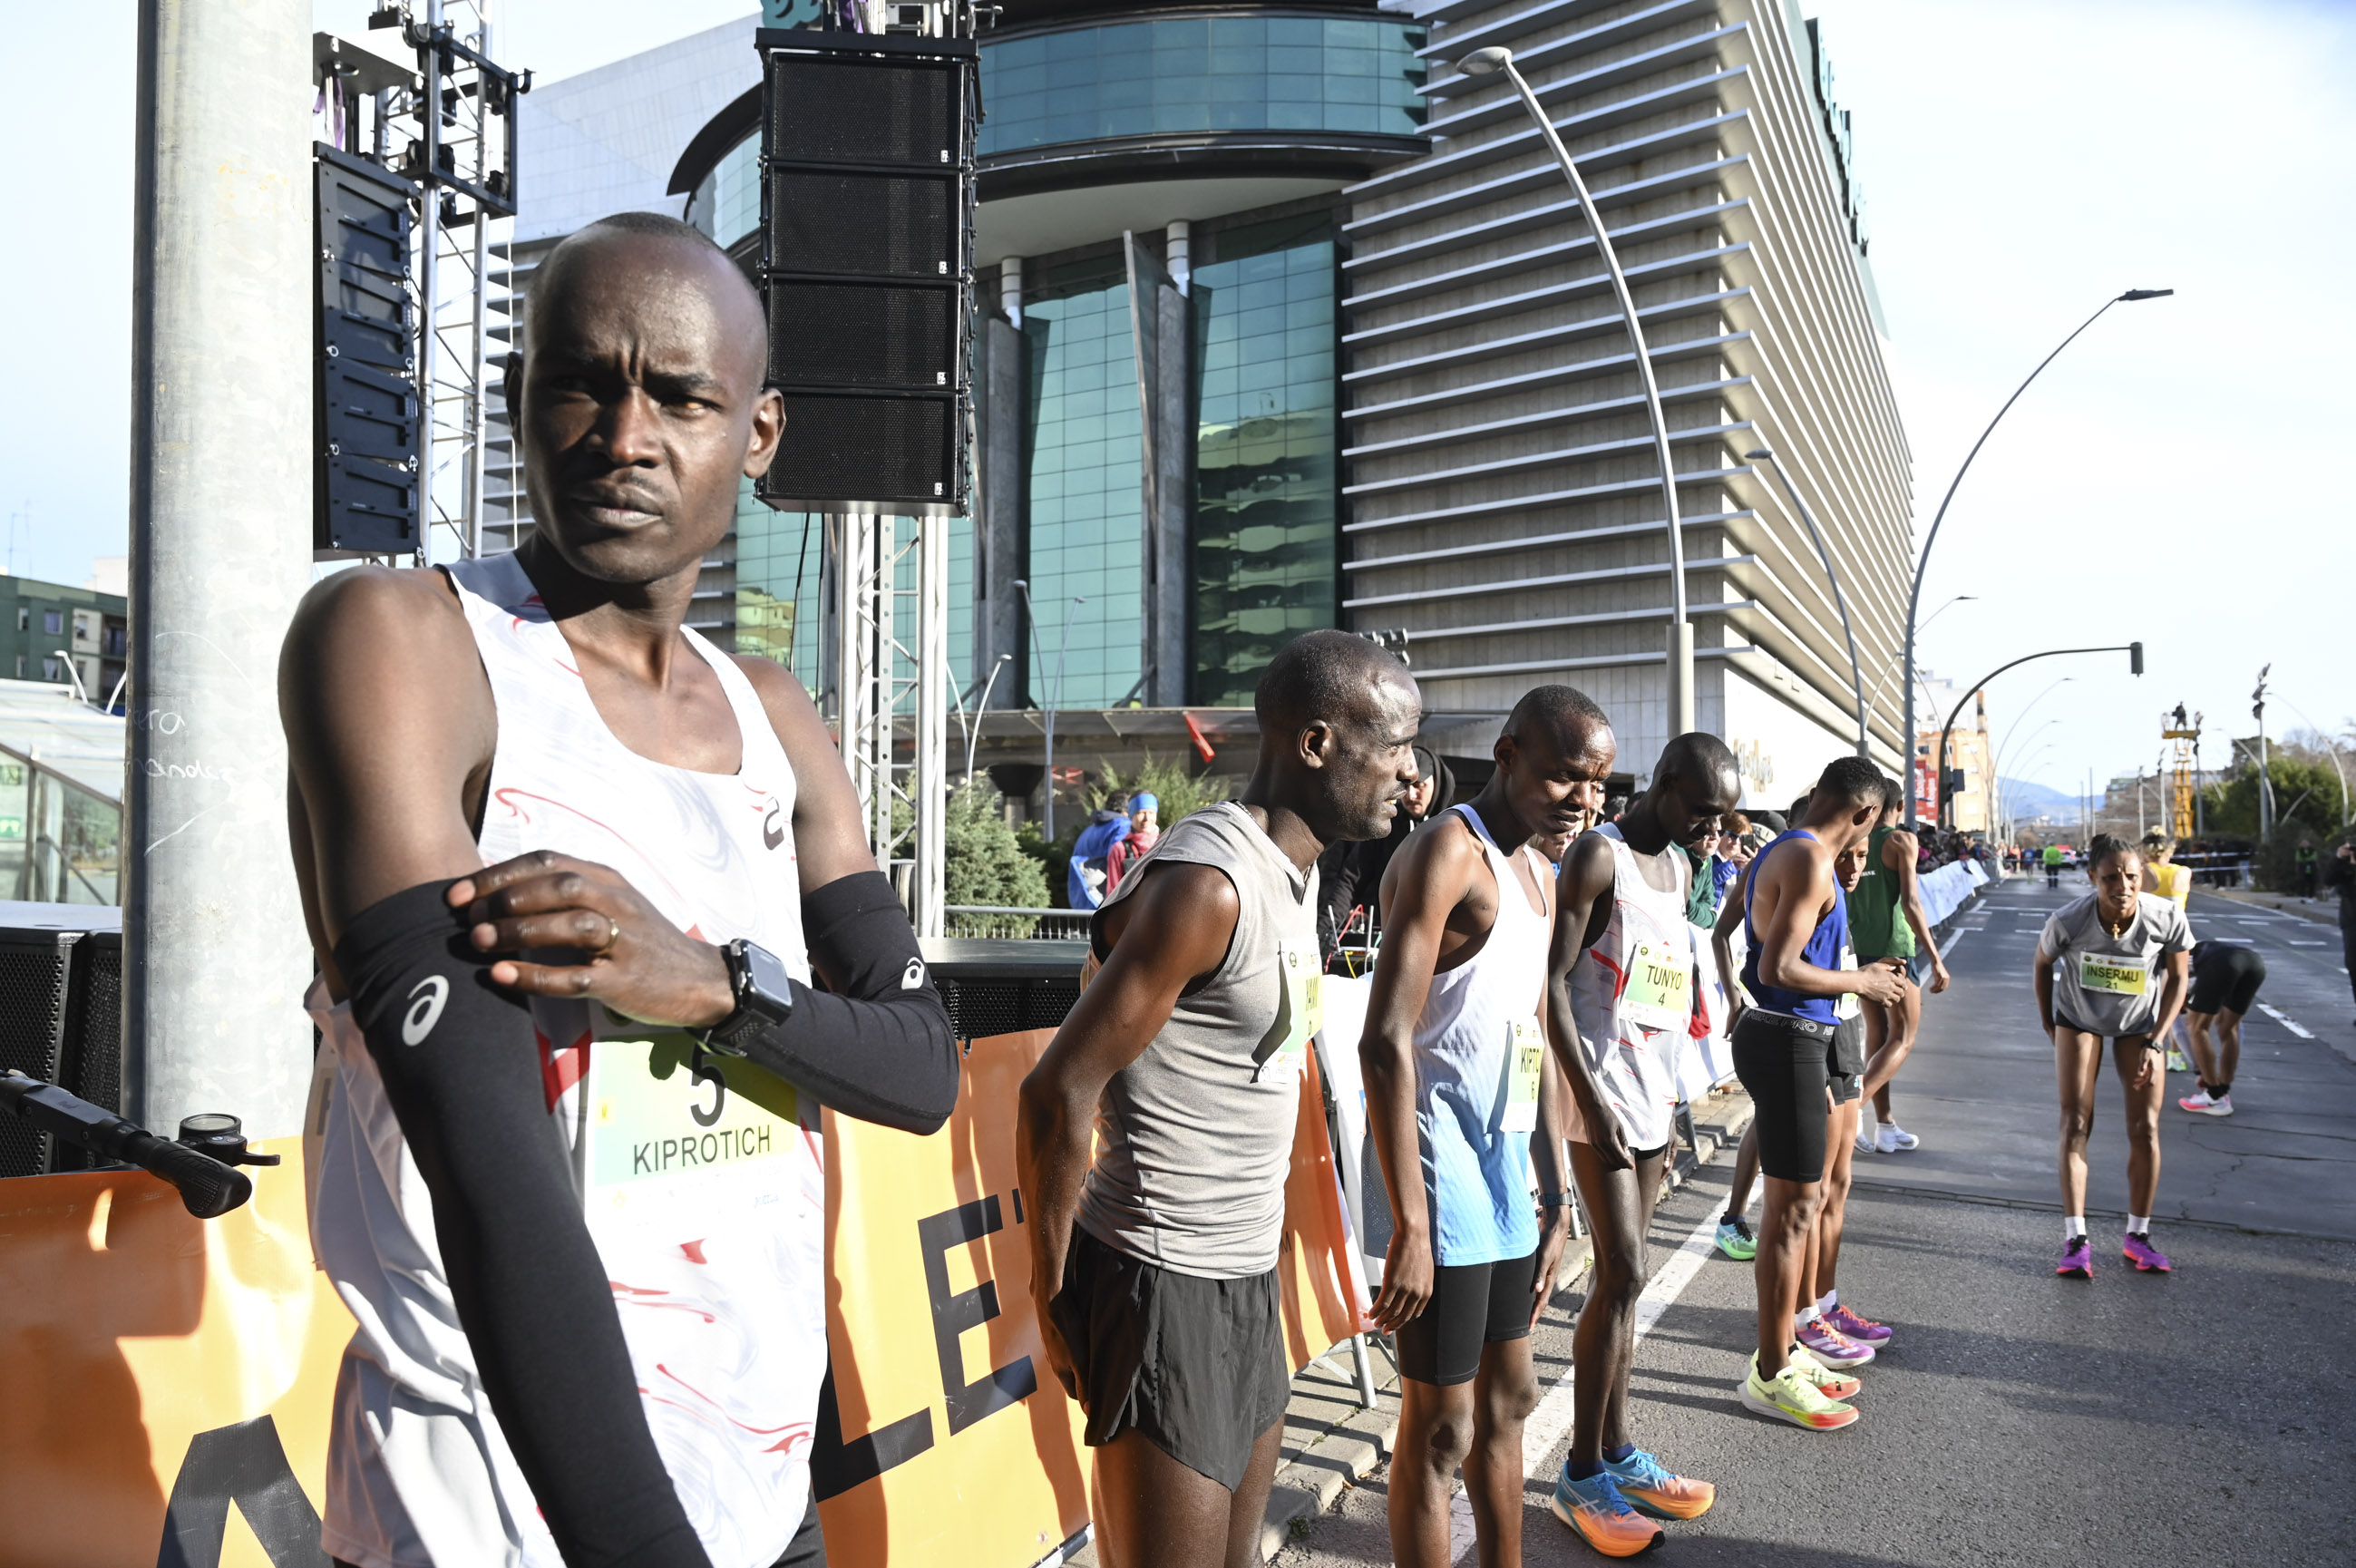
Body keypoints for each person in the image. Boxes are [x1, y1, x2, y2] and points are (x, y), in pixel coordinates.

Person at [280, 213, 962, 1568]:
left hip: (759, 1495)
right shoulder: (407, 639)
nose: (622, 434)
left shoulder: (774, 716)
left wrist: (710, 986)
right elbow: (490, 1173)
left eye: (680, 396)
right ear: (525, 402)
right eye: (580, 382)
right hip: (497, 1511)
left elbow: (922, 1069)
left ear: (757, 436)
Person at [1017, 631, 1419, 1568]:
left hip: (1245, 1281)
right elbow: (1056, 1090)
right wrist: (1053, 1292)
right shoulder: (1210, 883)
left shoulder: (1299, 869)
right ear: (1315, 743)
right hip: (1161, 1277)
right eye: (1394, 745)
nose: (1410, 772)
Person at [1358, 687, 1614, 1568]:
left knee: (1510, 1401)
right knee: (1441, 1428)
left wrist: (1553, 1195)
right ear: (1506, 756)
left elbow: (1531, 1036)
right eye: (1562, 777)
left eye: (1597, 783)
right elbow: (1385, 1040)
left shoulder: (1541, 870)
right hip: (1439, 1175)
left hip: (1508, 1174)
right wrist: (1413, 1225)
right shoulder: (1448, 853)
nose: (1582, 798)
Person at [1543, 735, 1738, 1549]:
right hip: (1602, 1099)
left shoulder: (1683, 870)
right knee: (1621, 1269)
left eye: (1719, 817)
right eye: (1699, 810)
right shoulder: (1600, 856)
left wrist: (1684, 1079)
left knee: (1632, 1277)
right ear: (1660, 785)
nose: (1710, 829)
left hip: (1655, 1096)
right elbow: (1549, 983)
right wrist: (1589, 1097)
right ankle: (1580, 1475)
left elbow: (1666, 988)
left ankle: (1618, 1451)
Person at [1728, 758, 1905, 1431]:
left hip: (1797, 1035)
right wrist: (1859, 980)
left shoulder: (1790, 848)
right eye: (1876, 826)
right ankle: (1771, 1370)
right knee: (1792, 1210)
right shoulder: (1805, 857)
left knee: (1804, 1202)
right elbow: (1777, 965)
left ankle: (1786, 1351)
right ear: (1863, 813)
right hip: (1787, 1036)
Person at [2033, 833, 2193, 1278]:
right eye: (2109, 878)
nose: (2122, 885)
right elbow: (2042, 963)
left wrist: (2157, 1039)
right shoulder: (2070, 919)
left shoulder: (2165, 917)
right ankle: (2076, 1239)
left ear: (2144, 875)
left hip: (2140, 1027)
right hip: (2080, 1020)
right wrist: (2051, 1023)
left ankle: (2138, 1235)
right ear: (2092, 879)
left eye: (2130, 875)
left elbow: (2179, 979)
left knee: (2145, 1127)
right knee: (2076, 1122)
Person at [1849, 778, 1950, 1156]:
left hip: (1860, 949)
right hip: (1894, 951)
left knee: (1878, 1035)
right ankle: (1851, 1109)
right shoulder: (1901, 841)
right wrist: (1936, 959)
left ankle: (1886, 1126)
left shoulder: (1854, 842)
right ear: (1901, 806)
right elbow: (1911, 902)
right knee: (1903, 1037)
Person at [1319, 745, 1451, 960]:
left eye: (1420, 786)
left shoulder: (1452, 831)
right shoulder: (1385, 829)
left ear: (1436, 786)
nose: (1411, 795)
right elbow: (1350, 879)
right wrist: (1323, 936)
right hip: (1386, 941)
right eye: (1405, 787)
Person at [2176, 940, 2265, 1116]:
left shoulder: (2172, 955)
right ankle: (2223, 1089)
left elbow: (2174, 1001)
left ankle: (2214, 1096)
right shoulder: (2194, 945)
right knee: (2229, 1028)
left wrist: (2199, 1070)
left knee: (2197, 1028)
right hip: (2254, 962)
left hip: (2221, 962)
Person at [2139, 833, 2196, 1070]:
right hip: (2179, 937)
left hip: (2150, 938)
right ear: (2169, 851)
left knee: (2148, 996)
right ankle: (2173, 1053)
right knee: (2175, 997)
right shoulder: (2183, 872)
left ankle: (2148, 1042)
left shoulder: (2145, 872)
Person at [1070, 794, 1134, 910]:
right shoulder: (1122, 825)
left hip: (1080, 893)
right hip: (1102, 896)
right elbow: (1120, 859)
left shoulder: (1089, 829)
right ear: (1127, 811)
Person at [1104, 792, 1162, 894]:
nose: (1147, 818)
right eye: (1141, 812)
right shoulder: (1119, 849)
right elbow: (1113, 892)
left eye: (1151, 813)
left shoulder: (1166, 844)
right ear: (1131, 815)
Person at [2326, 841, 2356, 1025]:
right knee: (2354, 968)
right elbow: (2328, 879)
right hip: (2351, 922)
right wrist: (2340, 859)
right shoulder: (2346, 869)